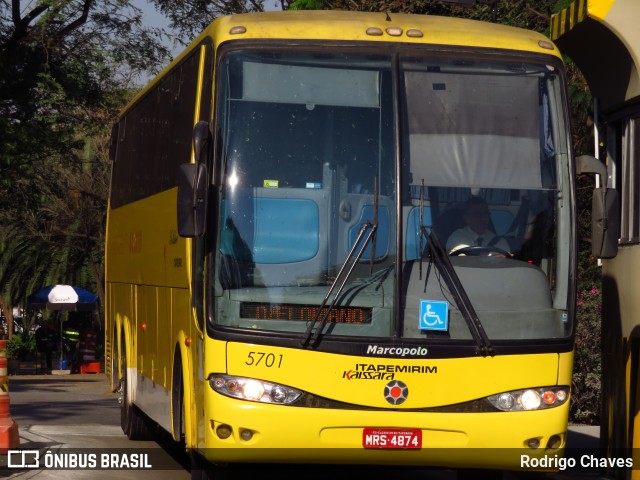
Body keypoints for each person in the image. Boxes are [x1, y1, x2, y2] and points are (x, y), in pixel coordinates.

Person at [446, 196, 511, 254]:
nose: (483, 218)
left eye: (485, 213)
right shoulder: (457, 238)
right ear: (466, 217)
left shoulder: (500, 243)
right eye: (477, 214)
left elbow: (507, 264)